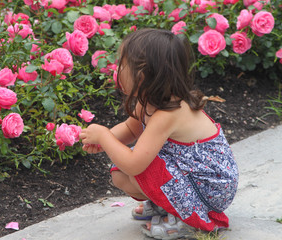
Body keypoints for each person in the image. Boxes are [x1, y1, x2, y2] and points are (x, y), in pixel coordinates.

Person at [79, 28, 239, 239]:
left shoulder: (168, 113)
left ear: (144, 73)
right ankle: (168, 205)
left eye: (122, 64)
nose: (117, 69)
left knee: (141, 166)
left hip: (210, 187)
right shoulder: (148, 102)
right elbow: (130, 128)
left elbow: (136, 163)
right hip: (187, 174)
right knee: (119, 172)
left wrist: (104, 137)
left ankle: (188, 220)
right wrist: (105, 140)